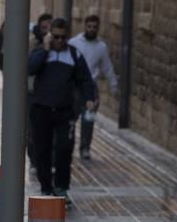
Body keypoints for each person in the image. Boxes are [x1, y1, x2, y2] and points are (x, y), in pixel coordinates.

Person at [27, 17, 95, 207]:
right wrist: (45, 49)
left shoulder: (74, 55)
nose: (59, 41)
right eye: (55, 37)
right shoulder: (42, 53)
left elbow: (85, 79)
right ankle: (46, 187)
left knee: (64, 149)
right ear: (50, 36)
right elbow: (30, 68)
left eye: (63, 38)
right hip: (41, 110)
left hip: (64, 112)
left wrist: (89, 98)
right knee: (42, 150)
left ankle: (61, 188)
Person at [68, 14, 118, 160]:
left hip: (91, 89)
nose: (91, 29)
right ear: (85, 26)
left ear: (98, 28)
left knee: (88, 120)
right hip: (75, 87)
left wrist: (113, 85)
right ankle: (68, 146)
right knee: (71, 119)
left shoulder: (101, 47)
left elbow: (107, 67)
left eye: (94, 27)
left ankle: (85, 148)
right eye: (89, 26)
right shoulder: (74, 43)